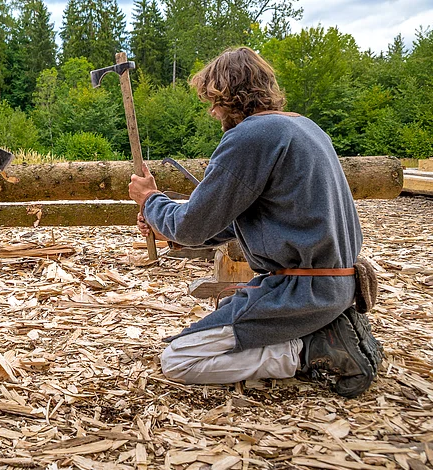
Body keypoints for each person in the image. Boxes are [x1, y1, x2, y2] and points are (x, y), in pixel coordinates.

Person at [128, 47, 383, 398]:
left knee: (179, 359)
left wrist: (150, 200)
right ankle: (324, 331)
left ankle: (308, 350)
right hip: (335, 288)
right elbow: (245, 222)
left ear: (231, 94)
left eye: (214, 100)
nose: (212, 110)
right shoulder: (303, 127)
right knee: (199, 343)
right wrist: (164, 227)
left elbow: (192, 225)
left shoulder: (252, 137)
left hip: (300, 293)